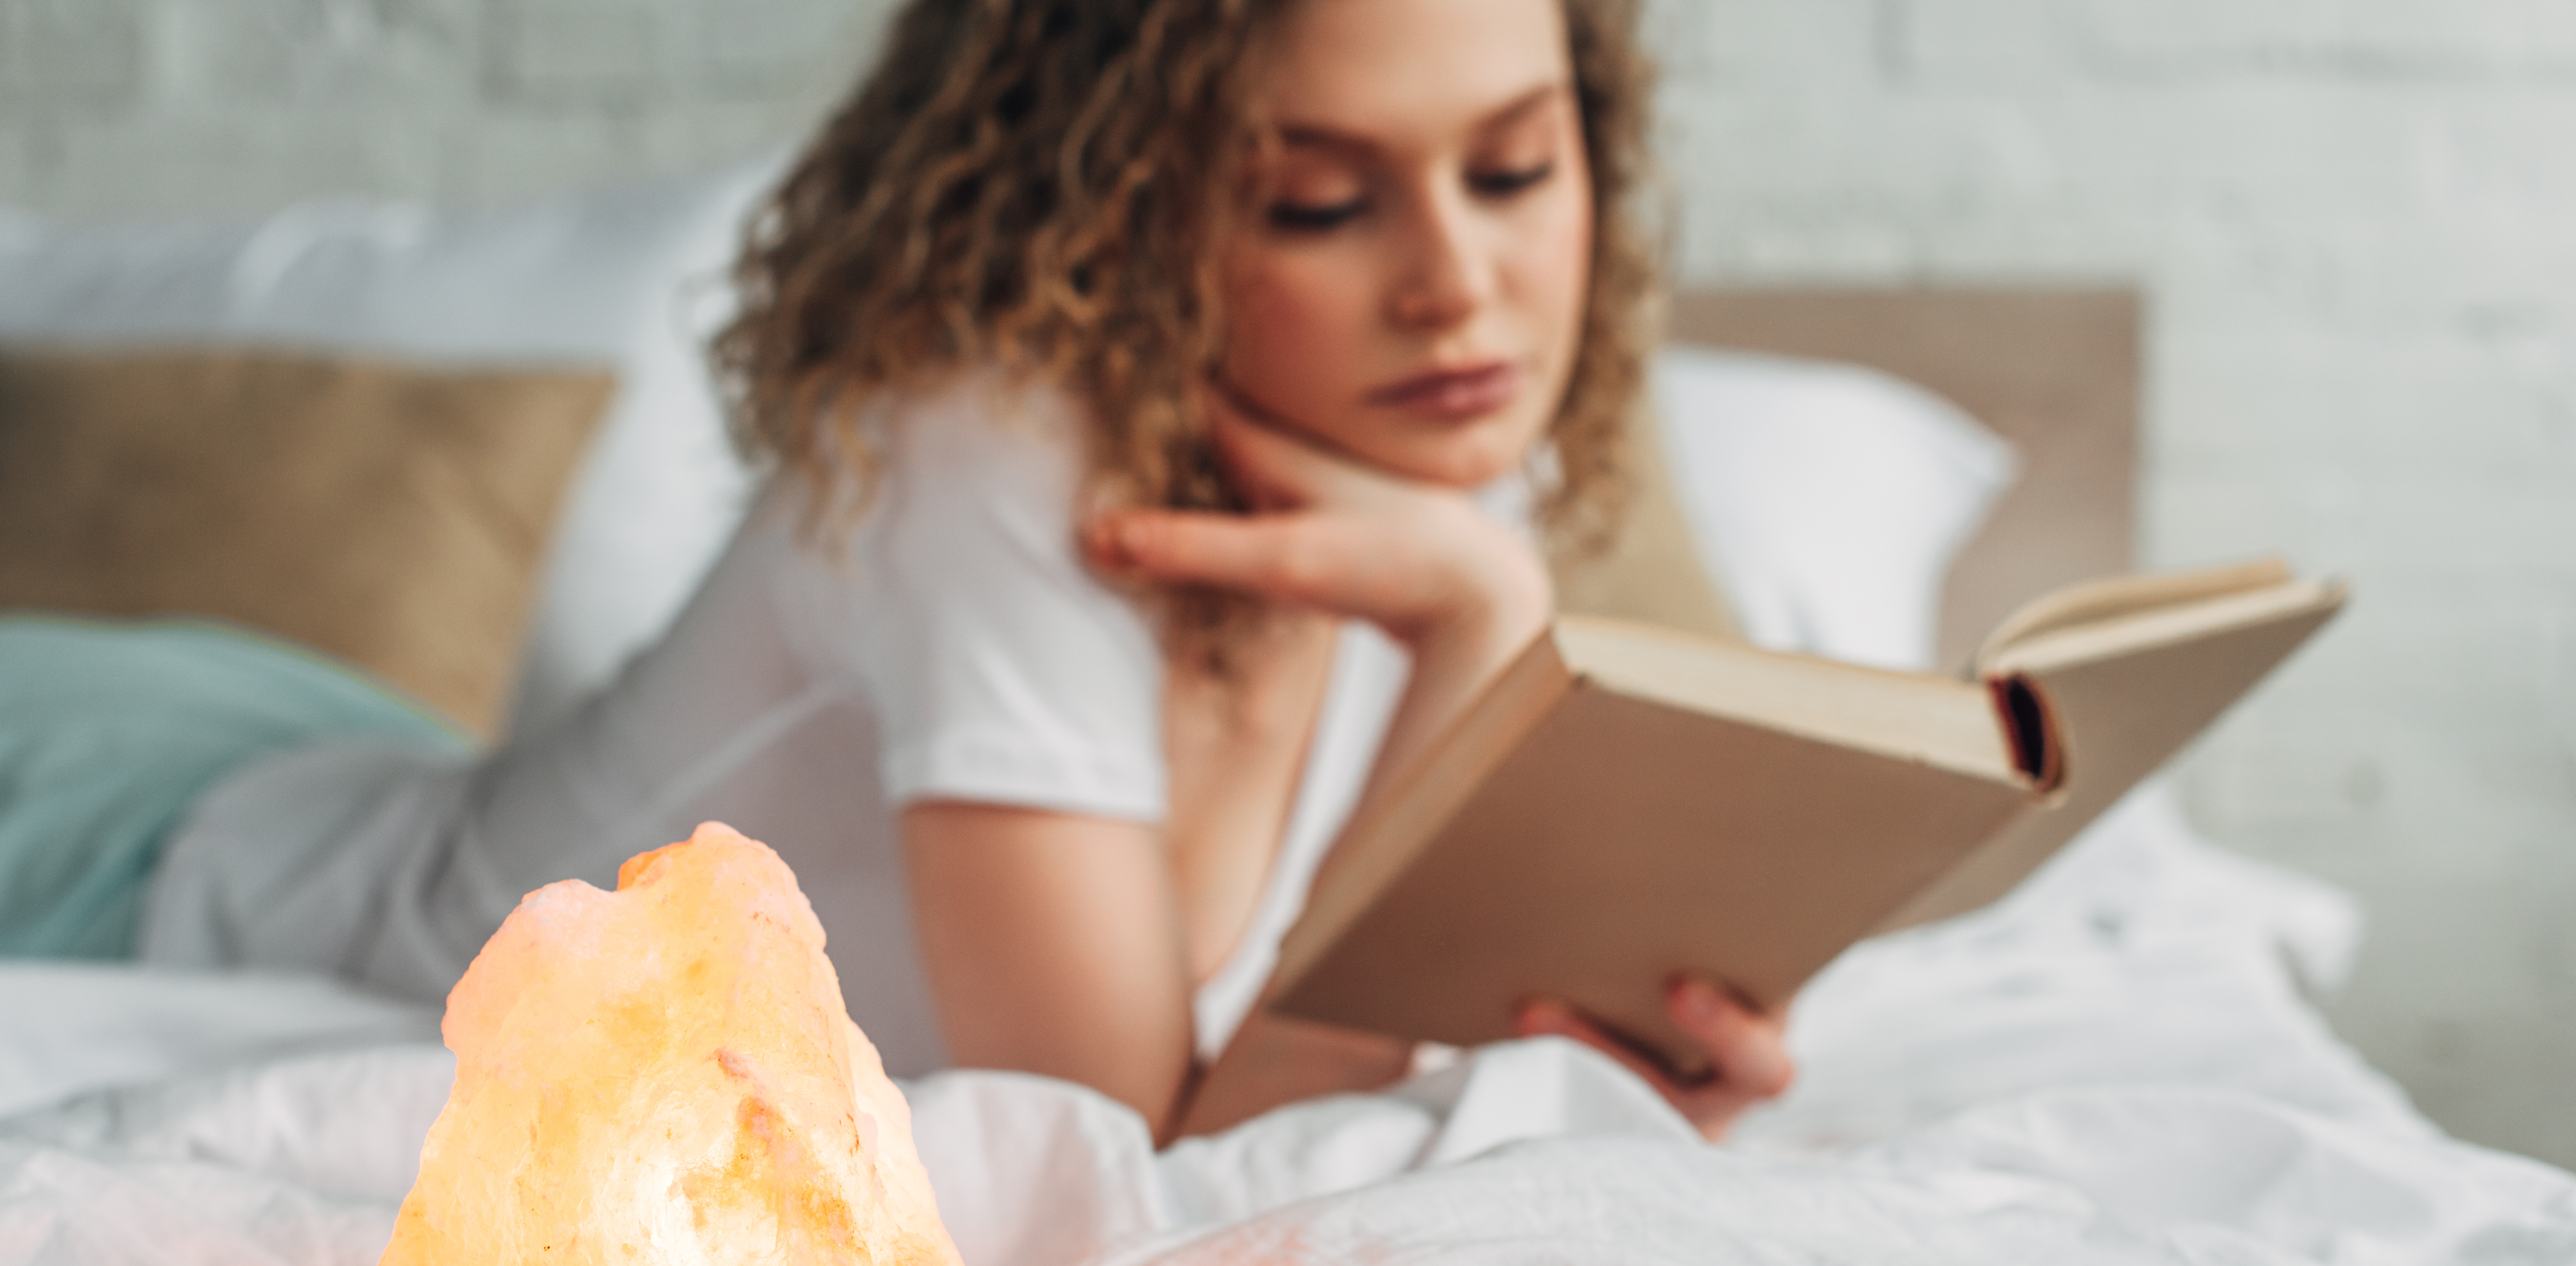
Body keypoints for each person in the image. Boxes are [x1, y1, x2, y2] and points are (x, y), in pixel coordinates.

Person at [136, 0, 1794, 1142]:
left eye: (1513, 171)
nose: (1457, 284)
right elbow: (1125, 1164)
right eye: (1314, 203)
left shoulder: (1412, 454)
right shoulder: (984, 459)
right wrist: (1482, 630)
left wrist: (1605, 1075)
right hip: (155, 837)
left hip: (344, 756)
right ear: (1119, 211)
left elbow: (1282, 1091)